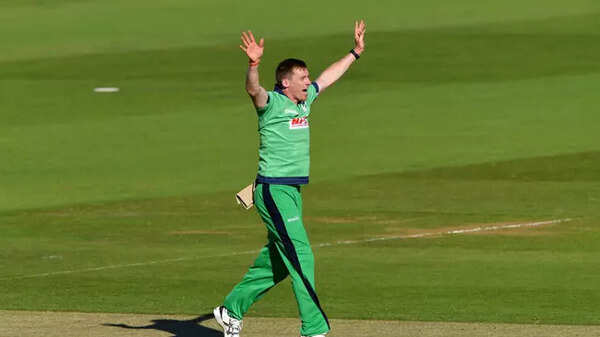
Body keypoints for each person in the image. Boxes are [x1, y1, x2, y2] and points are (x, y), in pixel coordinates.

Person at [214, 20, 366, 337]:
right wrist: (253, 64)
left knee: (282, 259)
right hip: (273, 190)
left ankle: (231, 308)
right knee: (302, 255)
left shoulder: (305, 100)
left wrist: (354, 52)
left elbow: (328, 77)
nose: (308, 82)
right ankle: (314, 328)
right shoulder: (272, 103)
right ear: (285, 82)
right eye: (302, 78)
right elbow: (252, 89)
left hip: (292, 190)